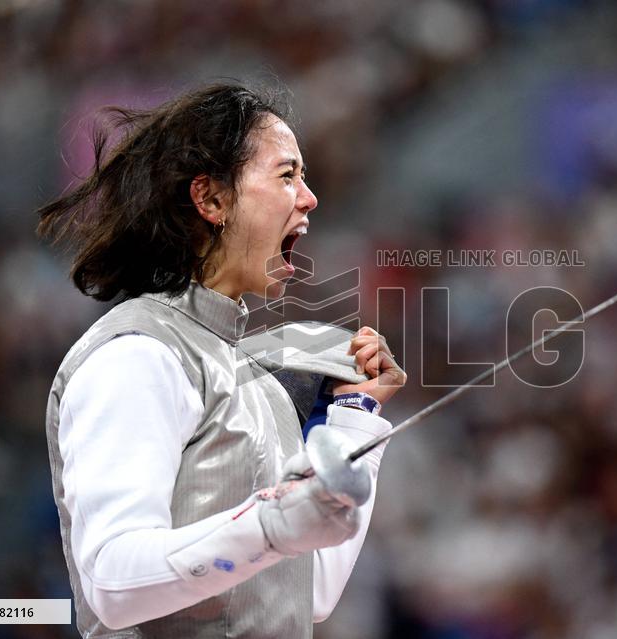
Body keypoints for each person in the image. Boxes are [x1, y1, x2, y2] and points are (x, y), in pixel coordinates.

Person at [37, 83, 405, 638]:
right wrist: (273, 523)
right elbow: (113, 584)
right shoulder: (138, 354)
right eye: (287, 176)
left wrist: (354, 415)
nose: (309, 198)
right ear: (211, 200)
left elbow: (309, 595)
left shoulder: (248, 375)